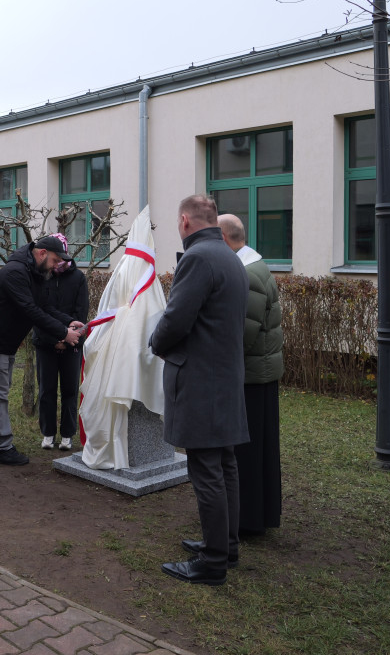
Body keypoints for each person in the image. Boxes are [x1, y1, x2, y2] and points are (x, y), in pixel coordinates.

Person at [149, 195, 249, 586]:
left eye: (177, 222)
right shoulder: (229, 256)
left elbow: (176, 319)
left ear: (186, 221)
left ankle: (212, 563)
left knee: (206, 470)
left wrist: (155, 341)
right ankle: (226, 546)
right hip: (223, 378)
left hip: (201, 381)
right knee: (225, 466)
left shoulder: (197, 258)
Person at [0, 236, 85, 465]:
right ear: (41, 253)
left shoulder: (37, 273)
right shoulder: (15, 272)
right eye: (54, 260)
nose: (56, 266)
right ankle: (2, 448)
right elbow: (31, 310)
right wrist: (63, 332)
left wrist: (70, 321)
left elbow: (45, 307)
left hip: (7, 340)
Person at [218, 213, 283, 536]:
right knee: (257, 449)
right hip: (259, 373)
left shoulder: (248, 274)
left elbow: (243, 334)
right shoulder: (252, 266)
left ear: (226, 239)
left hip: (252, 377)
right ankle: (254, 515)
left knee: (249, 451)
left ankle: (248, 520)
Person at [32, 233, 88, 451]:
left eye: (60, 258)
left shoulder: (78, 278)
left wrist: (68, 339)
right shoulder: (41, 276)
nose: (57, 264)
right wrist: (54, 339)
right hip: (46, 344)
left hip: (72, 345)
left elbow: (80, 312)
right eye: (55, 259)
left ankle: (67, 435)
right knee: (46, 390)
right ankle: (47, 433)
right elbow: (37, 312)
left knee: (70, 390)